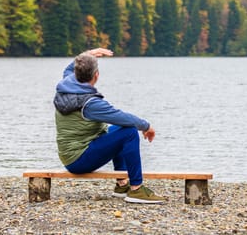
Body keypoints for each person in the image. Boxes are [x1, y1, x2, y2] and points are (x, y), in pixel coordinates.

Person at [53, 48, 165, 204]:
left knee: (118, 131)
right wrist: (146, 126)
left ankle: (122, 185)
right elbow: (122, 117)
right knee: (129, 132)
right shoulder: (90, 103)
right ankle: (136, 189)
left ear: (77, 73)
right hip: (79, 160)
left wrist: (88, 54)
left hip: (70, 155)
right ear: (96, 75)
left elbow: (68, 69)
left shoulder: (65, 85)